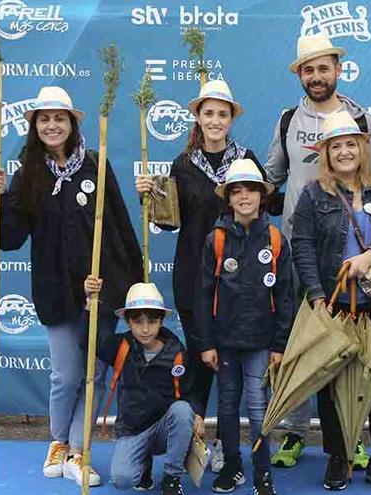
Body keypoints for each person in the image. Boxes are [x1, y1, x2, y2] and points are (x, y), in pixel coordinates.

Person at [0, 86, 142, 487]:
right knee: (65, 376)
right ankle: (58, 440)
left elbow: (120, 227)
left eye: (60, 118)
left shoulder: (95, 165)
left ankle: (78, 449)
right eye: (45, 118)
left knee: (95, 373)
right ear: (35, 125)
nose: (53, 125)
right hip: (56, 290)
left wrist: (131, 284)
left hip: (99, 289)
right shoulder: (28, 171)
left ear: (72, 123)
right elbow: (11, 238)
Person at [263, 31, 371, 471]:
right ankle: (295, 432)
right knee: (302, 346)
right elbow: (271, 177)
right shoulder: (287, 120)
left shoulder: (361, 118)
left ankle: (351, 436)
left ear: (338, 68)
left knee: (350, 350)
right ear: (300, 75)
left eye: (323, 67)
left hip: (350, 259)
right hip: (297, 254)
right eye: (308, 69)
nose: (316, 76)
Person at [135, 81, 263, 472]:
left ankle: (228, 445)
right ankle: (192, 442)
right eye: (208, 113)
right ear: (198, 117)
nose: (215, 120)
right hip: (193, 273)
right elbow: (170, 222)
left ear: (231, 119)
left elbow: (259, 213)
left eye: (222, 114)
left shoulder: (246, 160)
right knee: (200, 358)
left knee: (233, 363)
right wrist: (149, 196)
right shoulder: (183, 164)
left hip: (237, 280)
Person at [291, 112, 371, 492]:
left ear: (362, 147)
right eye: (335, 146)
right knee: (332, 382)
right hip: (335, 304)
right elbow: (302, 245)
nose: (344, 151)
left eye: (350, 144)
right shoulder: (313, 193)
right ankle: (339, 456)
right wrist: (316, 295)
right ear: (325, 153)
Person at [196, 159, 294, 495]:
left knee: (257, 406)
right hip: (224, 342)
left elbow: (285, 297)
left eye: (250, 189)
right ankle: (233, 467)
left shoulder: (276, 239)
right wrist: (206, 343)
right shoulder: (216, 240)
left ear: (262, 195)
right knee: (226, 404)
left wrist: (280, 345)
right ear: (228, 198)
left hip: (261, 342)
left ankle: (262, 473)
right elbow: (203, 295)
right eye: (236, 190)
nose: (243, 196)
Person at [90, 282, 202, 495]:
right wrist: (90, 304)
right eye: (137, 321)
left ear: (161, 321)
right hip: (132, 430)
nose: (145, 328)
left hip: (164, 429)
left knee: (183, 410)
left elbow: (189, 388)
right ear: (127, 321)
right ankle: (143, 468)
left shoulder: (177, 352)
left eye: (152, 321)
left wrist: (197, 413)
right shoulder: (120, 346)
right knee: (122, 478)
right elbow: (89, 343)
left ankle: (172, 477)